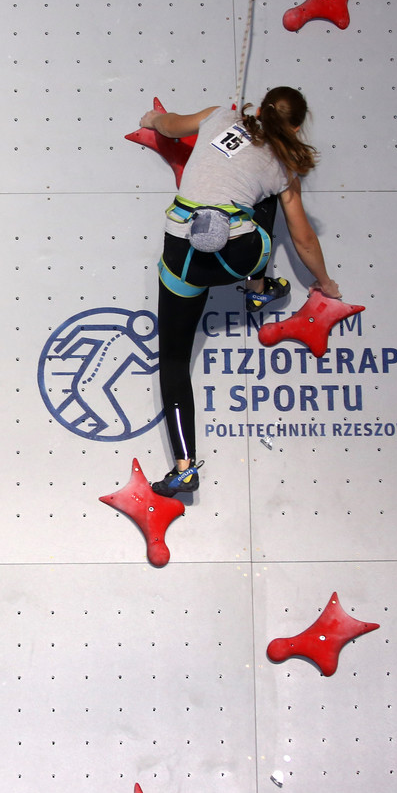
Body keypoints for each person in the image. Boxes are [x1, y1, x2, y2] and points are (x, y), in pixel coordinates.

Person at [140, 86, 340, 498]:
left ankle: (184, 469)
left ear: (260, 107)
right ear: (296, 128)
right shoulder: (284, 166)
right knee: (264, 202)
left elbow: (171, 126)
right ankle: (258, 288)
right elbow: (302, 237)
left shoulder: (219, 116)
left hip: (183, 259)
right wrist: (324, 281)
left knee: (174, 361)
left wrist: (153, 120)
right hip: (237, 259)